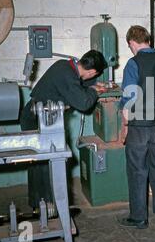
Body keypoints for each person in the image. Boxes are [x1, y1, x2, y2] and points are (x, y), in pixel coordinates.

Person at [20, 49, 107, 209]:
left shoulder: (65, 66)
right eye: (94, 75)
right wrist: (94, 91)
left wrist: (93, 84)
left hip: (36, 117)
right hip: (38, 120)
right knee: (49, 166)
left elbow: (77, 81)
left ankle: (39, 204)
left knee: (38, 165)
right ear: (92, 71)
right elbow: (83, 103)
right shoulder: (67, 75)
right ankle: (52, 208)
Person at [119, 25, 155, 229]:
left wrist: (125, 124)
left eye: (130, 46)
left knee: (137, 171)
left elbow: (129, 97)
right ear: (148, 40)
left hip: (139, 127)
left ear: (132, 43)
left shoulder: (133, 63)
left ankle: (139, 217)